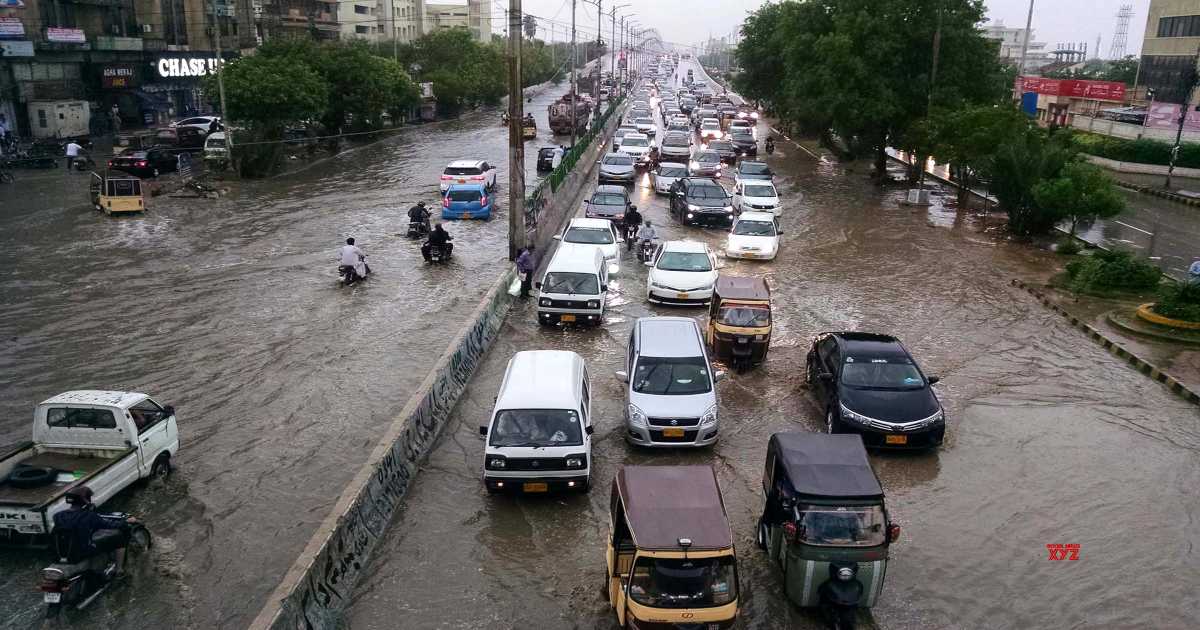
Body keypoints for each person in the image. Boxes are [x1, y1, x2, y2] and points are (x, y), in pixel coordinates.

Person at [52, 486, 136, 575]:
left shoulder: (58, 516)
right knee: (119, 539)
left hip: (64, 552)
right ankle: (119, 570)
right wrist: (126, 521)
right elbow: (109, 525)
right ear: (85, 500)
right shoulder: (89, 516)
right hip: (83, 551)